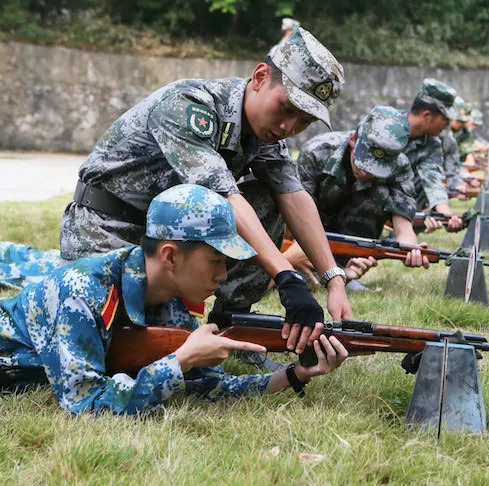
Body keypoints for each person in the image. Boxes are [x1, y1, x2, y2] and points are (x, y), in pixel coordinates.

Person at [59, 28, 352, 360]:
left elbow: (293, 194)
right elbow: (225, 197)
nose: (289, 127)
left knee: (267, 196)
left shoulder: (265, 134)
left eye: (304, 121)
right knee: (131, 350)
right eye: (286, 108)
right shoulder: (190, 106)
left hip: (166, 245)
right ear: (259, 77)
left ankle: (233, 319)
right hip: (107, 229)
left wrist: (334, 279)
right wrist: (286, 276)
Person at [0, 184, 348, 414]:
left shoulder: (173, 298)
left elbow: (207, 386)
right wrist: (178, 362)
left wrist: (295, 375)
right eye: (216, 261)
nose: (223, 275)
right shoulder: (84, 292)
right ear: (169, 257)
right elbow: (86, 406)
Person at [287, 106, 434, 284]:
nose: (366, 173)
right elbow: (294, 212)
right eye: (362, 163)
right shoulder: (317, 151)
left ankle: (343, 269)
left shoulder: (400, 165)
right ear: (352, 140)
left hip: (351, 245)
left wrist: (410, 250)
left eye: (376, 169)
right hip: (305, 232)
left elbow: (404, 228)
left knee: (380, 192)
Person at [403, 79, 463, 232]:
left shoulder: (433, 143)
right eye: (445, 119)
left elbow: (432, 179)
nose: (447, 125)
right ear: (427, 116)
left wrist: (445, 215)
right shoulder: (387, 125)